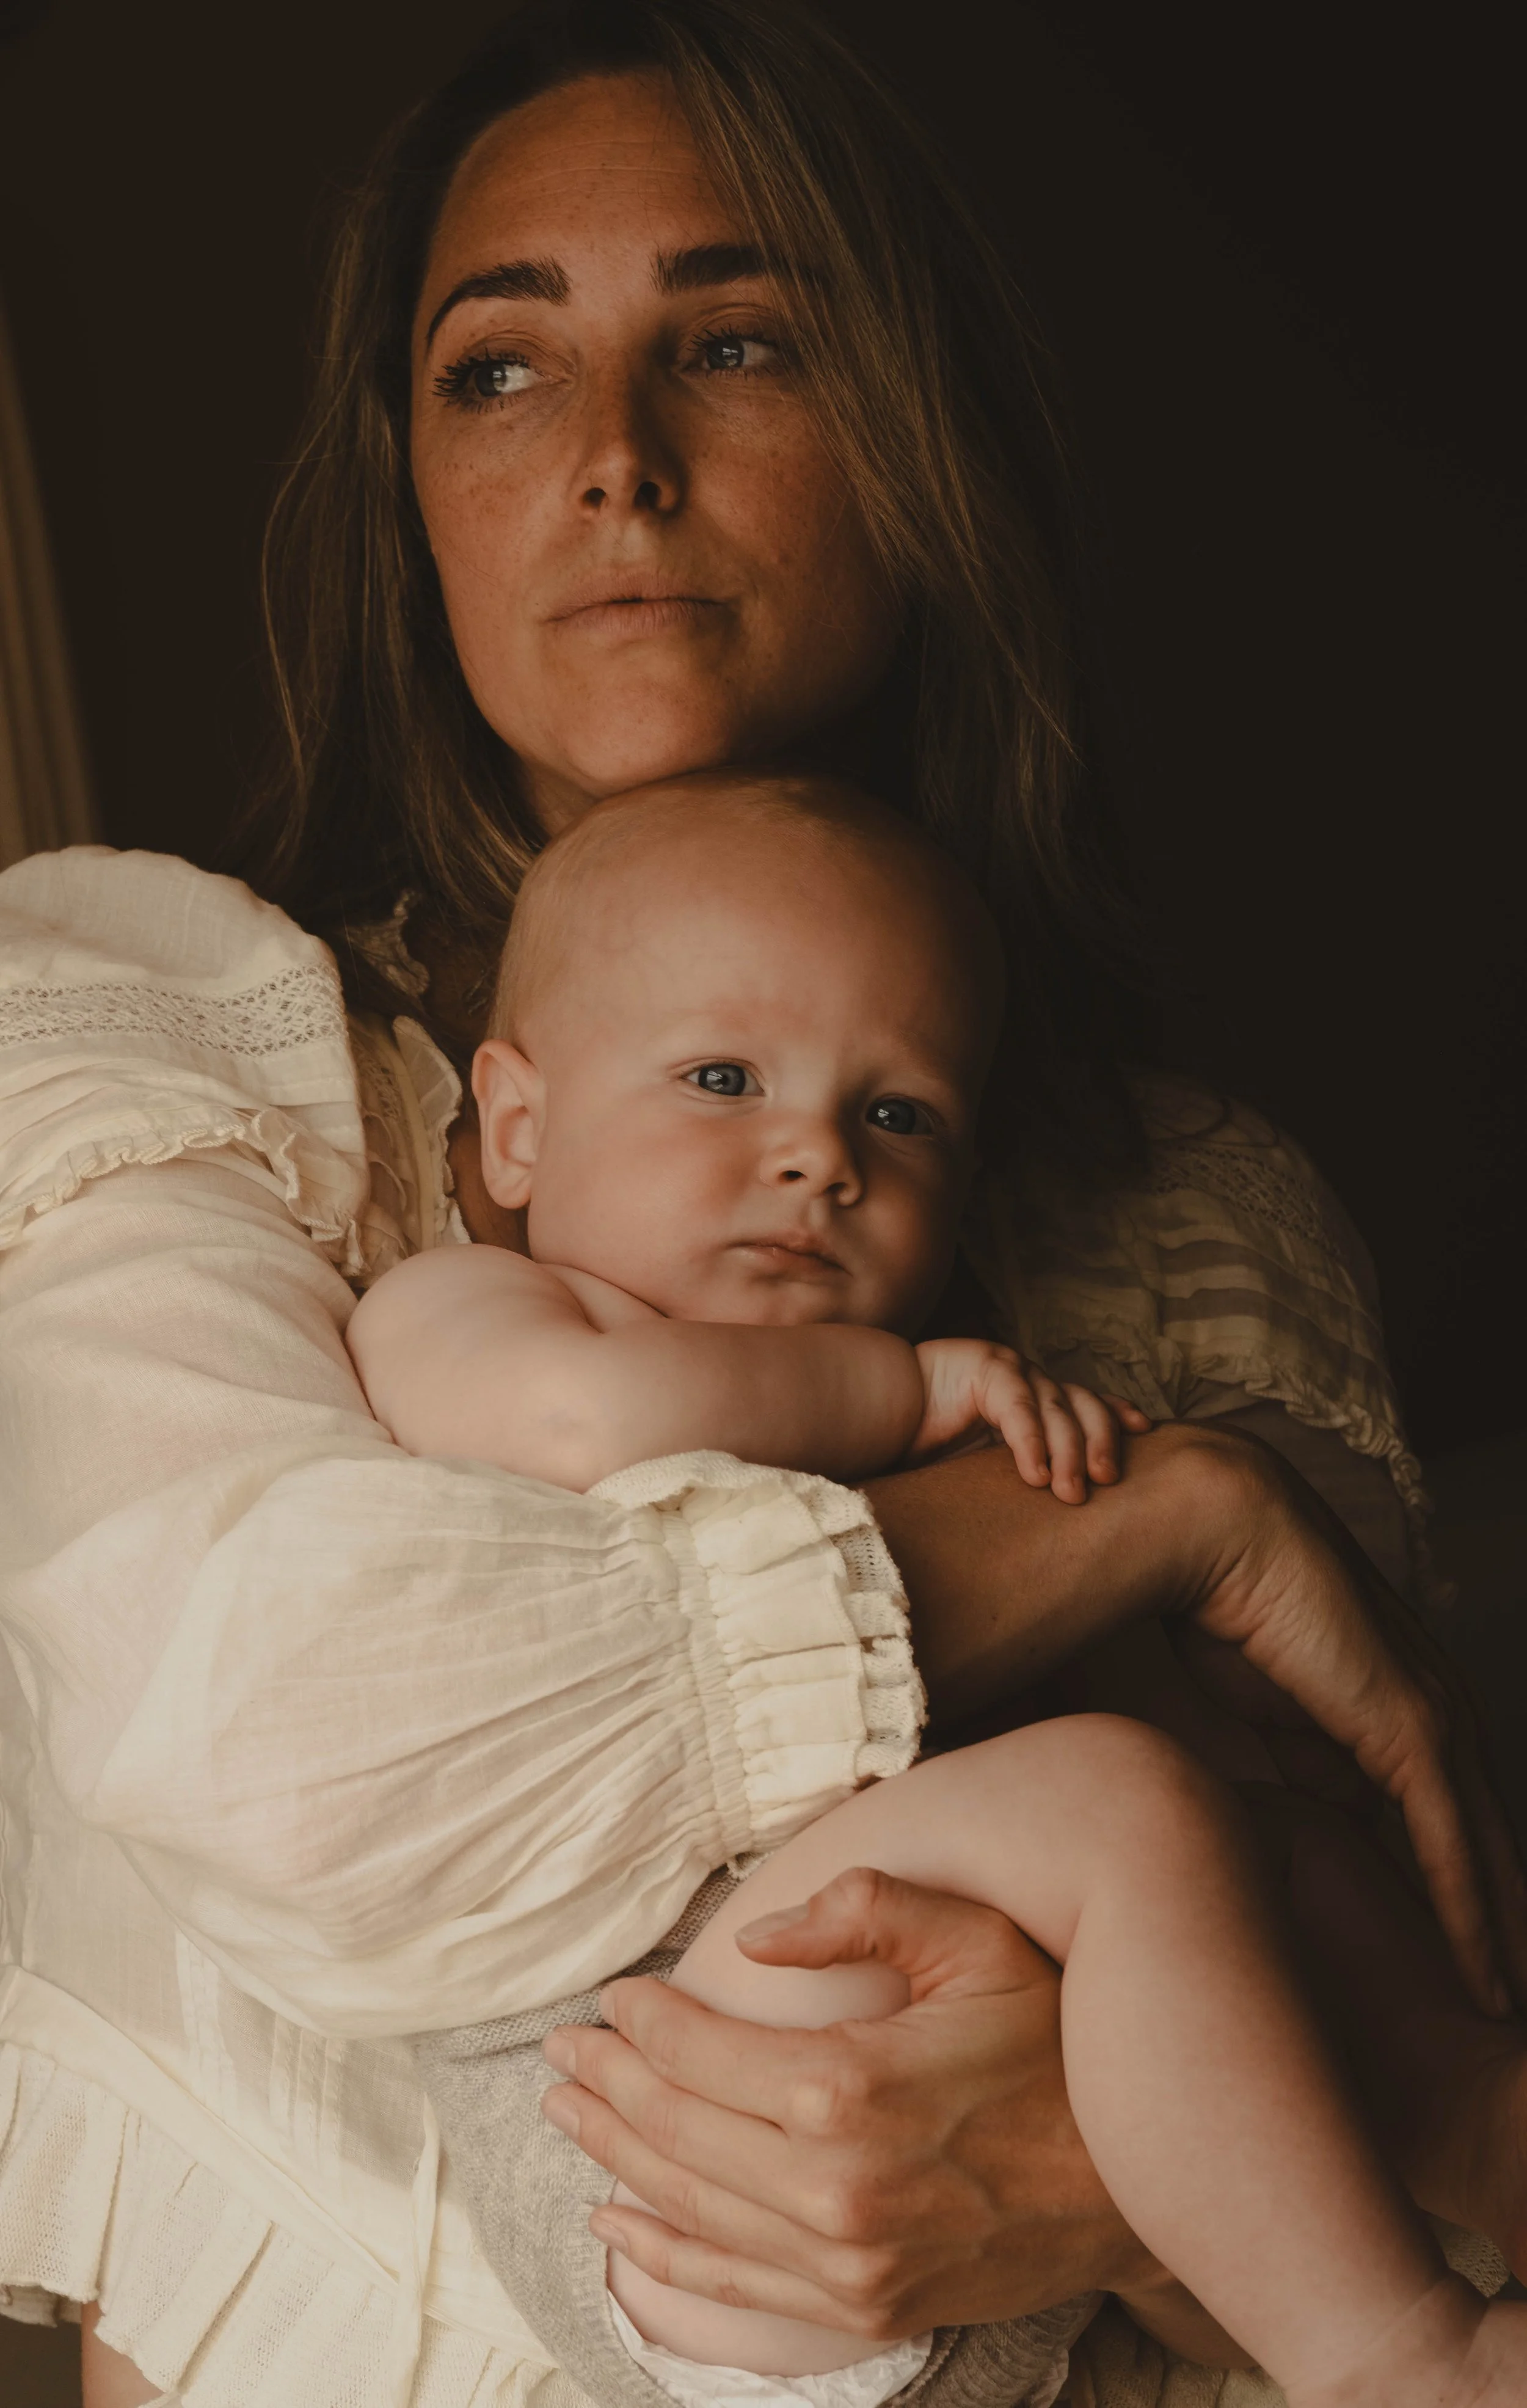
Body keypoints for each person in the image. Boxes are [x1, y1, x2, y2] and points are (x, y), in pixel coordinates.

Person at [0, 7, 1520, 2408]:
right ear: (408, 485)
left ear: (910, 438)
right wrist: (1140, 1529)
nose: (613, 458)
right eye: (497, 372)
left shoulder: (1189, 1206)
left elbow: (1417, 2089)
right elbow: (288, 1736)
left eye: (736, 338)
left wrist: (1105, 2167)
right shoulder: (169, 1055)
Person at [346, 767, 1527, 2408]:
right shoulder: (469, 1308)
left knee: (1250, 1829)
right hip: (656, 2131)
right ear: (521, 1120)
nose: (815, 1157)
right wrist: (907, 1396)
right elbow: (589, 1424)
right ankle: (1403, 2356)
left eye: (895, 1115)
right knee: (1118, 1803)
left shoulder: (874, 1384)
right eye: (721, 1075)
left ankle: (1458, 2125)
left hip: (962, 2159)